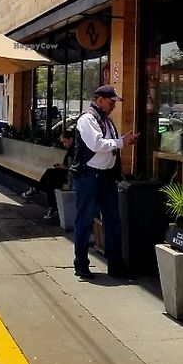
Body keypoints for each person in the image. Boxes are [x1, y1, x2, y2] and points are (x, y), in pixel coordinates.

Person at [71, 85, 139, 280]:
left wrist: (122, 142)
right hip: (89, 177)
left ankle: (116, 265)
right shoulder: (87, 118)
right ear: (99, 100)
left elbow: (108, 145)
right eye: (111, 102)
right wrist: (121, 142)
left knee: (113, 221)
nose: (113, 107)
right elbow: (97, 144)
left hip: (106, 177)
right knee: (85, 221)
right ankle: (81, 263)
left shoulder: (106, 120)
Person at [22, 130, 75, 219]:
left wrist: (63, 167)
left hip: (70, 176)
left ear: (71, 139)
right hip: (65, 174)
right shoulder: (70, 149)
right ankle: (51, 206)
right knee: (50, 181)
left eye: (65, 142)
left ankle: (38, 190)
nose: (64, 145)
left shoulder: (74, 150)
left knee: (50, 175)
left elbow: (73, 167)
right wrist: (61, 166)